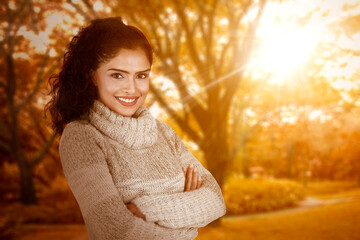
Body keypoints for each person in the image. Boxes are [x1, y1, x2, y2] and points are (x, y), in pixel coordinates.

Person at [46, 17, 226, 240]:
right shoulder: (81, 136)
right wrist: (187, 221)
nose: (132, 89)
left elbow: (216, 201)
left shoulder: (163, 132)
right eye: (117, 75)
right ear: (92, 75)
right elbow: (115, 232)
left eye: (141, 76)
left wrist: (144, 210)